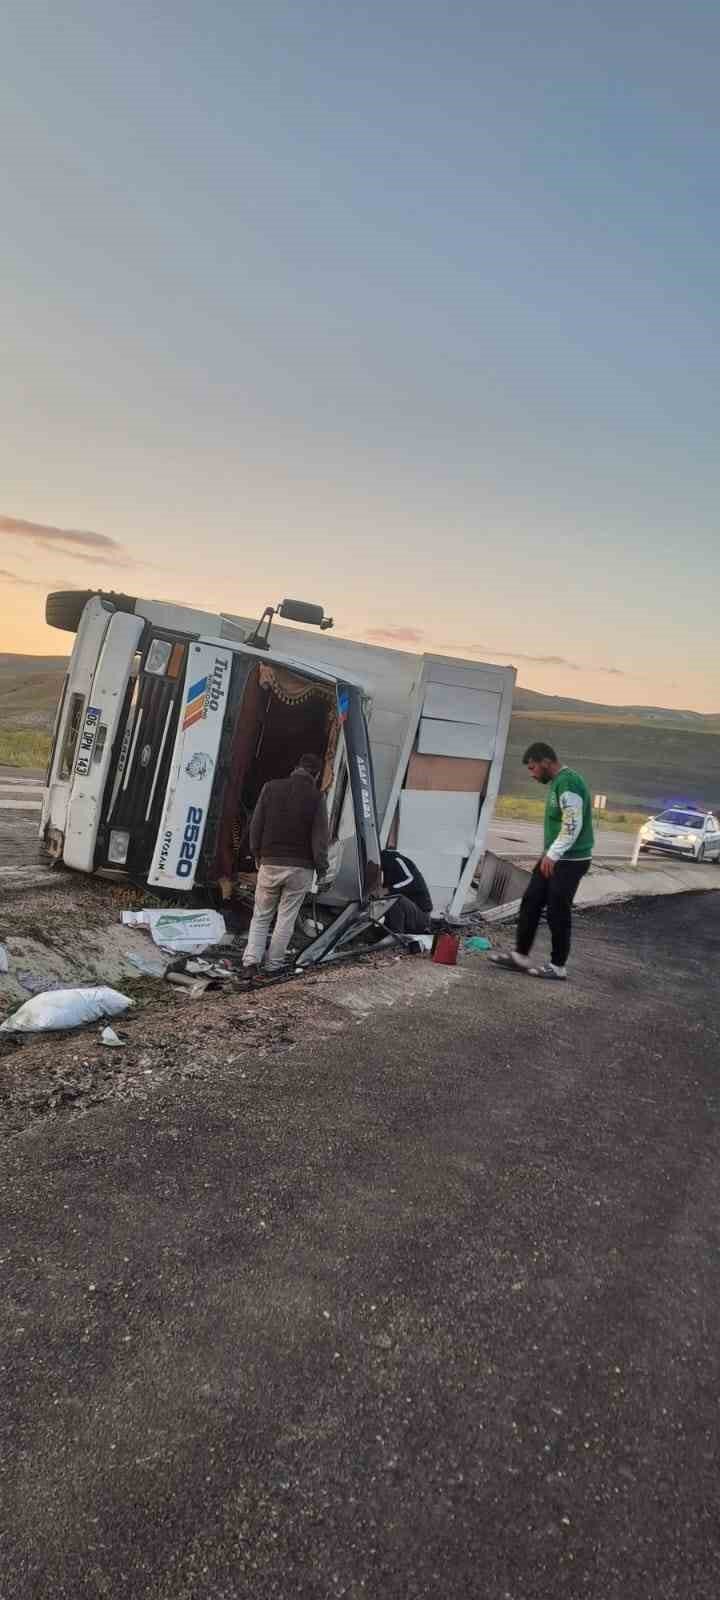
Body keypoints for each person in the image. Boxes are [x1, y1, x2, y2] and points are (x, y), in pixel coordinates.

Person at [491, 742, 594, 981]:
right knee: (532, 900)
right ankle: (520, 956)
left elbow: (572, 823)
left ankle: (558, 966)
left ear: (546, 762)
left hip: (570, 860)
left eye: (533, 767)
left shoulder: (568, 782)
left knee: (558, 910)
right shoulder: (559, 782)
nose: (532, 773)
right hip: (554, 857)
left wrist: (554, 854)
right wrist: (551, 854)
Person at [243, 752, 329, 976]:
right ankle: (273, 966)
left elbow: (256, 824)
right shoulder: (317, 797)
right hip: (301, 868)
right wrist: (322, 869)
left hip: (270, 862)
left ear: (296, 767)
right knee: (286, 918)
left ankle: (251, 963)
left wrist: (257, 854)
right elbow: (320, 838)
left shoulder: (271, 788)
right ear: (317, 774)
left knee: (261, 915)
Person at [379, 847, 433, 937]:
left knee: (395, 899)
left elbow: (411, 880)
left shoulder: (397, 860)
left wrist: (388, 890)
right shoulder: (389, 871)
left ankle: (396, 936)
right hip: (411, 918)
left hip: (421, 919)